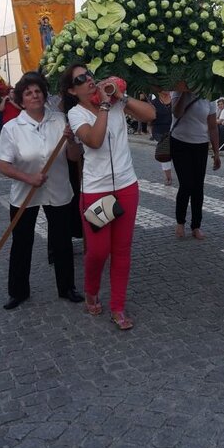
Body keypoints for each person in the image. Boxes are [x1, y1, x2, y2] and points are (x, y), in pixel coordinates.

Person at [60, 64, 155, 329]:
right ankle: (91, 290)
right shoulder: (76, 113)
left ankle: (118, 307)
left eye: (89, 74)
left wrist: (120, 97)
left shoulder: (115, 103)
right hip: (96, 191)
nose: (89, 79)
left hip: (126, 185)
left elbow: (151, 114)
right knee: (98, 251)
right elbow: (94, 140)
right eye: (81, 78)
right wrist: (103, 106)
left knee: (122, 250)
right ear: (72, 90)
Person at [0, 72, 84, 310]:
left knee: (62, 240)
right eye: (28, 93)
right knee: (22, 242)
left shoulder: (61, 120)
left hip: (58, 189)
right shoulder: (12, 128)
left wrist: (71, 140)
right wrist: (28, 178)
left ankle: (67, 287)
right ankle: (18, 291)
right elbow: (3, 165)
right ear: (21, 100)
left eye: (38, 91)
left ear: (44, 95)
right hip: (25, 193)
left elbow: (74, 157)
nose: (34, 96)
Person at [170, 90, 221, 240]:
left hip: (200, 144)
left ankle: (196, 225)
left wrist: (216, 152)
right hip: (179, 142)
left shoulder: (210, 96)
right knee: (186, 184)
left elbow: (212, 126)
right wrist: (184, 94)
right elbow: (176, 113)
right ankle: (180, 222)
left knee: (198, 186)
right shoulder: (178, 92)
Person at [149, 90, 173, 185]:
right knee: (164, 153)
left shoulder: (175, 100)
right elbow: (150, 119)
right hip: (160, 132)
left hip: (175, 130)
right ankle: (168, 177)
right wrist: (151, 132)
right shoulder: (153, 103)